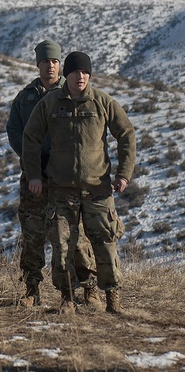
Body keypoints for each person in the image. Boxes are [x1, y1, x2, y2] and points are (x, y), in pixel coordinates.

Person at [22, 51, 136, 315]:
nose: (80, 76)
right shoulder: (51, 102)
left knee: (105, 244)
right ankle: (67, 298)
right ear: (67, 74)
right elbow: (31, 137)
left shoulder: (102, 102)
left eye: (85, 72)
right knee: (63, 247)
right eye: (75, 72)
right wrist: (35, 174)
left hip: (98, 189)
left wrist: (124, 174)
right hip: (61, 190)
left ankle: (112, 299)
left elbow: (126, 134)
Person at [6, 40, 97, 308]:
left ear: (61, 65)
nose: (50, 66)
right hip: (34, 176)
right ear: (38, 64)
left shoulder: (70, 93)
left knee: (74, 236)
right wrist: (32, 159)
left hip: (65, 177)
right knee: (33, 234)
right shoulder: (25, 98)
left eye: (55, 62)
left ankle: (88, 287)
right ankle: (31, 289)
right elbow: (15, 132)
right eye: (45, 61)